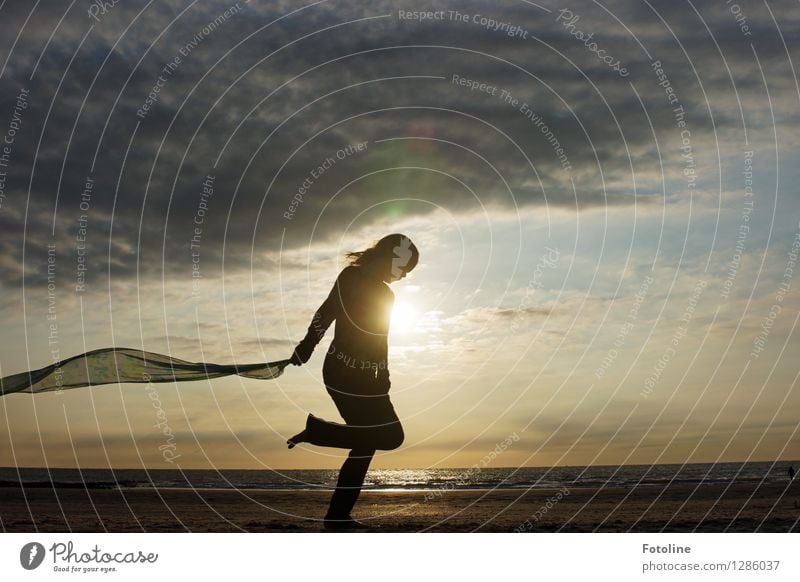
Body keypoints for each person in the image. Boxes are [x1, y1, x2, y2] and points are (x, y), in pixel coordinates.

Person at [287, 233, 420, 530]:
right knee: (380, 439)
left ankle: (337, 514)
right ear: (391, 259)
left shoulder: (387, 295)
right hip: (340, 372)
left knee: (376, 440)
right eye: (404, 269)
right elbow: (326, 313)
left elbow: (380, 338)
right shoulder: (351, 277)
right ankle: (336, 512)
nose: (403, 276)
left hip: (370, 377)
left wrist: (383, 375)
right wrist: (307, 344)